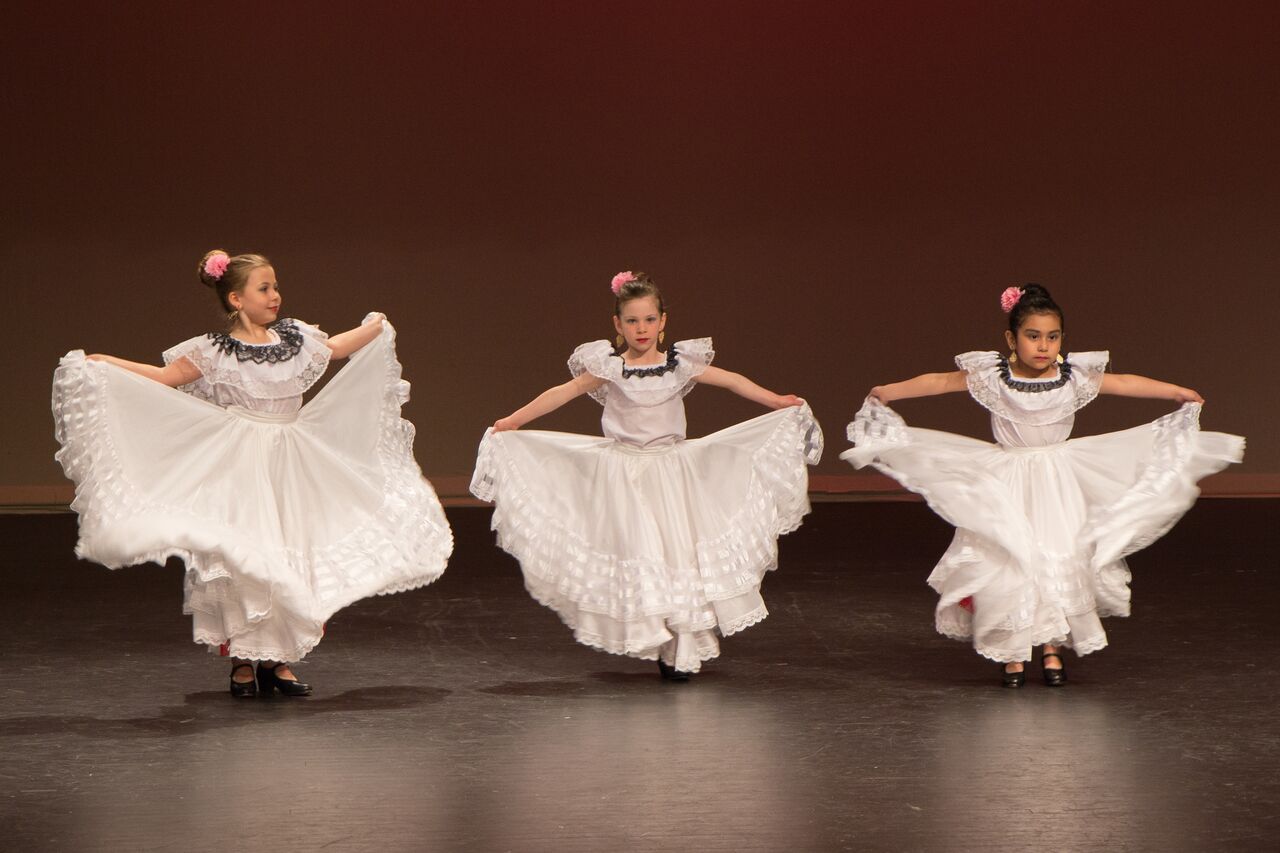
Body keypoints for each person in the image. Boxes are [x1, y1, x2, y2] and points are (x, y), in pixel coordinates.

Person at [52, 249, 453, 697]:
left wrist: (375, 325)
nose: (275, 295)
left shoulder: (295, 338)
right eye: (264, 288)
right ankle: (244, 660)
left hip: (291, 459)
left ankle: (279, 661)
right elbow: (163, 376)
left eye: (276, 286)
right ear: (237, 299)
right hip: (241, 462)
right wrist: (105, 363)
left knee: (287, 550)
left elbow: (337, 348)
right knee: (247, 555)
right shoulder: (212, 351)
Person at [842, 284, 1244, 687]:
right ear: (1012, 339)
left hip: (1058, 479)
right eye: (1033, 336)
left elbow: (1122, 383)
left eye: (1052, 337)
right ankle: (1014, 650)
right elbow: (940, 381)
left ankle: (1051, 646)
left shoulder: (1072, 378)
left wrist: (1176, 391)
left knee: (1058, 555)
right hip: (1009, 476)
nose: (1043, 346)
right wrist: (888, 392)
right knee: (1012, 559)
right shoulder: (993, 377)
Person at [470, 271, 823, 679]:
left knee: (679, 556)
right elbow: (562, 392)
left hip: (672, 471)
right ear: (617, 326)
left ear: (663, 321)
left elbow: (730, 381)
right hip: (624, 473)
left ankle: (680, 647)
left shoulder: (679, 364)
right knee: (643, 553)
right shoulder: (610, 368)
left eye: (649, 320)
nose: (642, 328)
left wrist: (775, 400)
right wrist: (513, 420)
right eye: (633, 321)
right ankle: (653, 634)